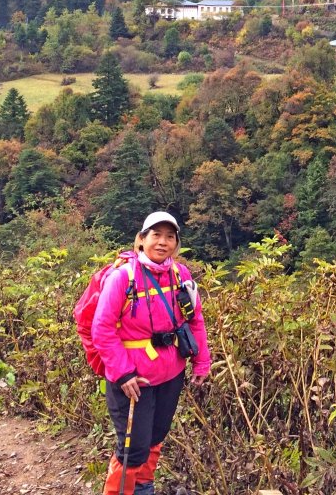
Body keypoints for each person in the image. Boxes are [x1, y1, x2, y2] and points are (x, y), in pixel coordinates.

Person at [91, 211, 211, 495]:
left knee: (156, 437)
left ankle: (144, 488)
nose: (163, 242)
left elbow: (195, 320)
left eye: (170, 237)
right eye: (156, 235)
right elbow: (102, 328)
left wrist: (201, 362)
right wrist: (122, 373)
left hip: (171, 374)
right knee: (133, 447)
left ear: (176, 243)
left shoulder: (181, 274)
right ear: (142, 239)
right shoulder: (123, 278)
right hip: (134, 380)